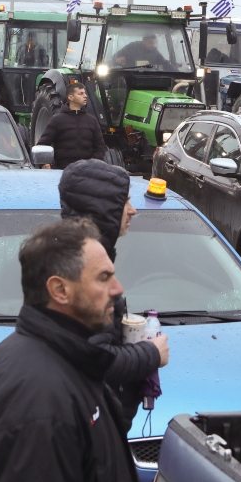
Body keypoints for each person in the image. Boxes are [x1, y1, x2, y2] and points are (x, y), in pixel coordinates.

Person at [0, 218, 144, 482]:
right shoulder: (38, 399)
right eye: (103, 278)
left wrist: (122, 406)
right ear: (59, 290)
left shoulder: (68, 361)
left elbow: (91, 466)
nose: (118, 288)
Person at [59, 159, 168, 425]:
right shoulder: (82, 270)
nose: (133, 211)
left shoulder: (82, 255)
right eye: (125, 202)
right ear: (103, 209)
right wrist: (150, 354)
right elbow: (93, 359)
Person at [37, 82, 106, 170]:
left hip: (87, 172)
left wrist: (93, 165)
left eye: (85, 93)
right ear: (70, 97)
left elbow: (100, 147)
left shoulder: (92, 121)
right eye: (80, 94)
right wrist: (44, 163)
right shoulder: (57, 120)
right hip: (62, 171)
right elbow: (42, 144)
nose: (85, 96)